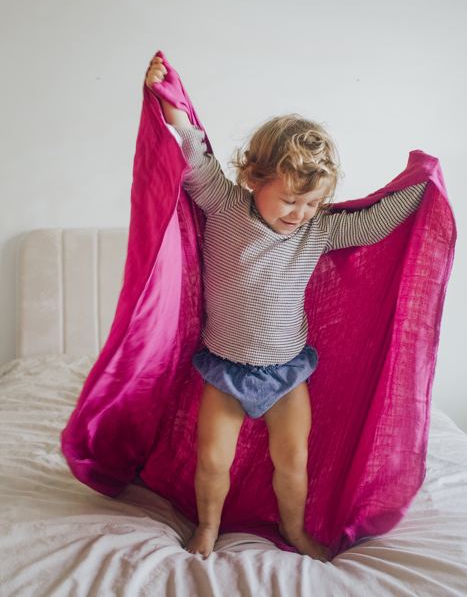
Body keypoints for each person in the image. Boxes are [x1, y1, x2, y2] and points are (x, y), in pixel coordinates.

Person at [145, 55, 426, 561]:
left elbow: (372, 225)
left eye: (313, 202)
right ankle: (208, 527)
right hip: (225, 368)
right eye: (291, 200)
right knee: (212, 461)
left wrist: (426, 182)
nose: (301, 214)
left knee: (293, 461)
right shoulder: (226, 205)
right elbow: (194, 158)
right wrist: (173, 105)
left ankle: (294, 532)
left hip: (286, 372)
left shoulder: (318, 230)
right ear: (255, 178)